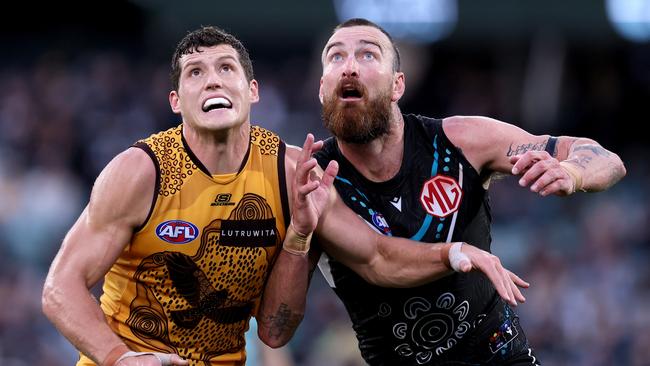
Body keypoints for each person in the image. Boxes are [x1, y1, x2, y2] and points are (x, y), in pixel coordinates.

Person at [41, 26, 528, 366]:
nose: (211, 78)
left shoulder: (291, 172)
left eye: (226, 68)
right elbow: (59, 289)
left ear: (252, 91)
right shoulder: (139, 172)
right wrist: (119, 358)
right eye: (195, 73)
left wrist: (299, 236)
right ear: (176, 102)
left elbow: (365, 267)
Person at [308, 18, 627, 366]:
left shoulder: (460, 142)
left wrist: (572, 171)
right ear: (323, 88)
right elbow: (376, 259)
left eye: (368, 55)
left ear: (398, 84)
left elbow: (607, 160)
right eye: (336, 57)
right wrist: (296, 239)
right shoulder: (314, 178)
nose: (350, 66)